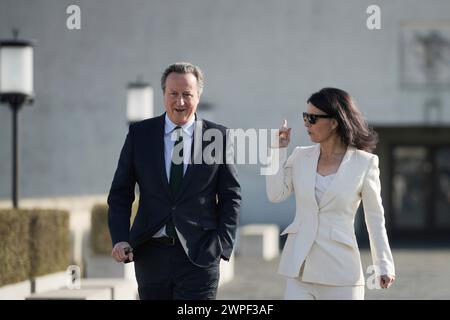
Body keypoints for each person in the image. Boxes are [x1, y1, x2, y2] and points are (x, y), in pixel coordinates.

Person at [107, 62, 241, 300]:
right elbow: (120, 193)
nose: (180, 102)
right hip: (151, 256)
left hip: (200, 256)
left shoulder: (218, 137)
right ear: (163, 95)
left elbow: (231, 196)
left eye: (187, 94)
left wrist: (222, 245)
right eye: (174, 94)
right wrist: (120, 238)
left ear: (198, 96)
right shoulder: (140, 135)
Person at [266, 87, 395, 300]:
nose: (306, 122)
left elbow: (375, 219)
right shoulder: (299, 156)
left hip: (341, 272)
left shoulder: (365, 163)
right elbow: (275, 194)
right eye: (305, 116)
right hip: (300, 269)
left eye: (313, 118)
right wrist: (277, 151)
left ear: (334, 122)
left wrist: (383, 264)